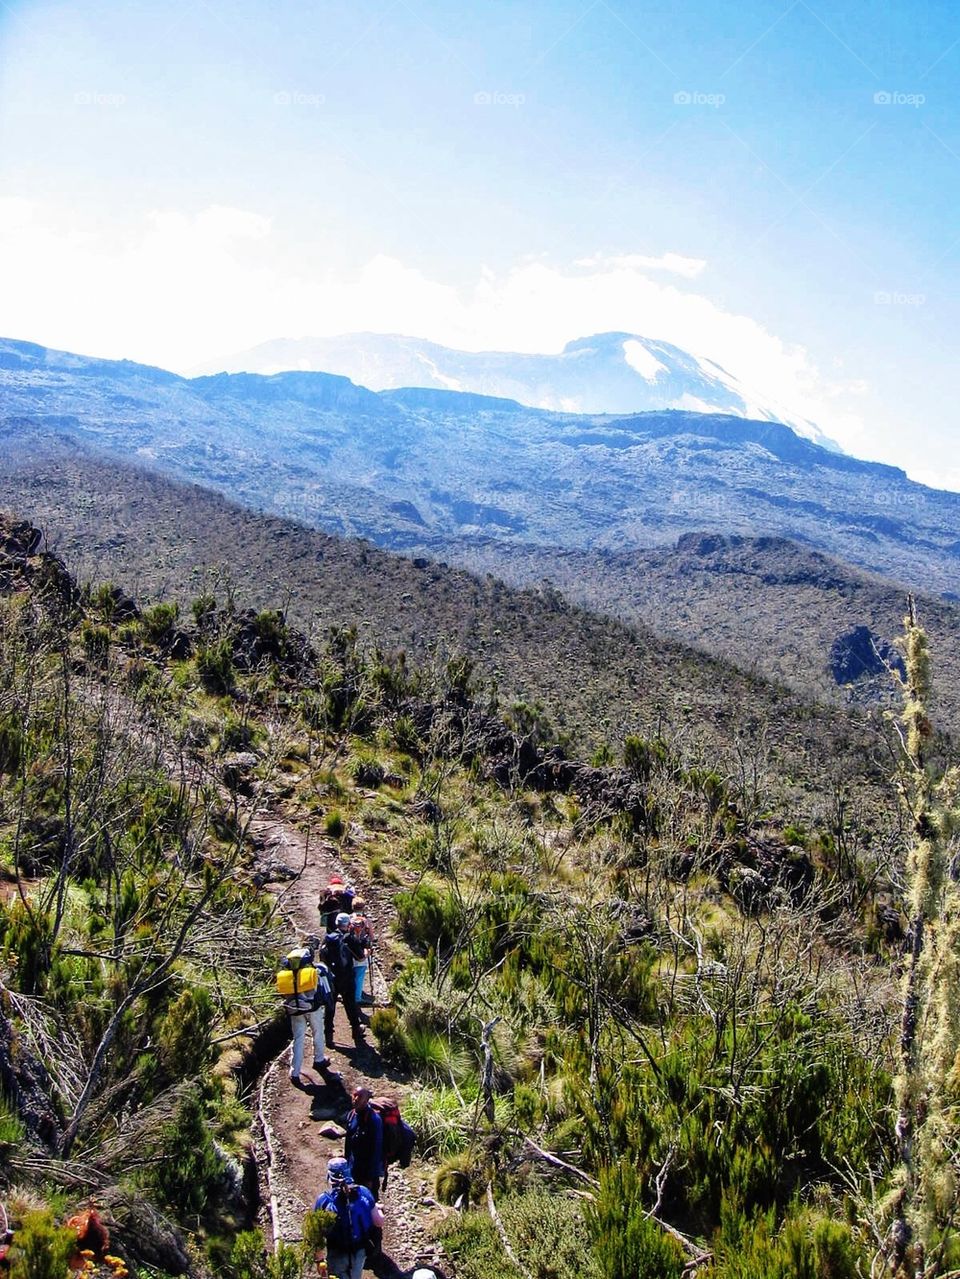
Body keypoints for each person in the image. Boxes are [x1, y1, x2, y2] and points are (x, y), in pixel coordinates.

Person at [314, 1156, 383, 1279]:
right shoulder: (364, 1192)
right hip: (359, 1252)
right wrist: (378, 1209)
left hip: (337, 1253)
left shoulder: (323, 1200)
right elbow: (378, 1222)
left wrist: (319, 1260)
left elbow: (315, 1234)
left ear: (329, 1176)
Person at [281, 944, 334, 1084]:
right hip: (313, 1008)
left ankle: (295, 1072)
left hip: (294, 1010)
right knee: (318, 1033)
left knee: (298, 1038)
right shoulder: (314, 972)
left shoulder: (287, 975)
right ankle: (319, 1060)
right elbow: (324, 991)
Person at [322, 913, 366, 1048]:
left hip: (331, 978)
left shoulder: (328, 939)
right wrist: (366, 951)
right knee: (350, 1004)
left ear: (336, 923)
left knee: (330, 1007)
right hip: (346, 977)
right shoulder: (349, 938)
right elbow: (360, 958)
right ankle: (356, 1031)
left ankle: (328, 1036)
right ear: (348, 924)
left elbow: (323, 957)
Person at [344, 1086, 383, 1198]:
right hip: (353, 1167)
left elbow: (377, 1150)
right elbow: (348, 1142)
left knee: (369, 1202)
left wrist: (370, 1177)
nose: (356, 1098)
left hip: (367, 1172)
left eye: (360, 1096)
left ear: (366, 1100)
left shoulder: (374, 1120)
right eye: (354, 1095)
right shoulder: (351, 1115)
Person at [349, 898, 375, 1006]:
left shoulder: (349, 919)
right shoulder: (366, 921)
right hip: (362, 951)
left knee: (350, 974)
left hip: (350, 950)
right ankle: (357, 998)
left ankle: (349, 993)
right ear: (363, 907)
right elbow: (372, 937)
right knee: (360, 975)